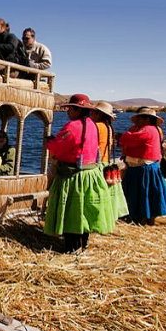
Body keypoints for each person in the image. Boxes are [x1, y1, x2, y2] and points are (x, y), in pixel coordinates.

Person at [44, 94, 114, 252]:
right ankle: (83, 244)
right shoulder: (93, 124)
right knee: (83, 211)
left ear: (77, 110)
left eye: (70, 108)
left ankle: (72, 248)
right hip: (91, 173)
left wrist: (49, 142)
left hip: (74, 176)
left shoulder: (72, 126)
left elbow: (58, 147)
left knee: (72, 212)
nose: (68, 111)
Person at [119, 107, 166, 224]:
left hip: (144, 168)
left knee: (143, 194)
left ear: (147, 119)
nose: (137, 120)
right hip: (142, 167)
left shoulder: (148, 130)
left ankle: (143, 217)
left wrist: (123, 136)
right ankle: (142, 216)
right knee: (146, 194)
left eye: (140, 118)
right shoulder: (151, 129)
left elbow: (129, 139)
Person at [90, 101, 129, 219]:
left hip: (98, 163)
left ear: (98, 114)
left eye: (93, 112)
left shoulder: (96, 126)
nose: (90, 114)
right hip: (106, 161)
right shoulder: (109, 127)